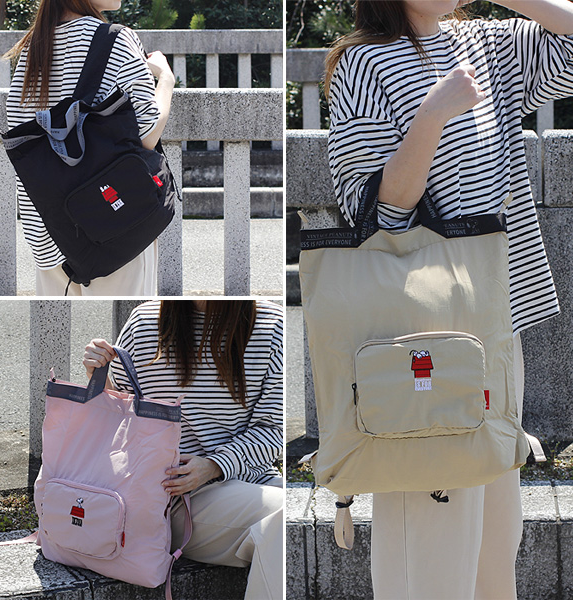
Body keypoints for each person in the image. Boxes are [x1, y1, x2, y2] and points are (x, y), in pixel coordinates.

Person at [325, 0, 573, 598]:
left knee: (496, 538)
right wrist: (433, 114)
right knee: (433, 542)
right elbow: (377, 214)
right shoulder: (364, 62)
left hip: (497, 323)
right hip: (422, 338)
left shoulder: (489, 43)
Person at [82, 299, 283, 600]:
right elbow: (122, 421)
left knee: (290, 516)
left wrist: (213, 465)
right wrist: (98, 376)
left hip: (249, 481)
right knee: (282, 517)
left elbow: (273, 430)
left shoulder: (271, 325)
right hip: (170, 498)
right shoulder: (145, 321)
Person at [6, 0, 175, 296]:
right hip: (114, 229)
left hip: (51, 237)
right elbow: (147, 134)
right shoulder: (116, 38)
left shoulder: (33, 47)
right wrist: (166, 79)